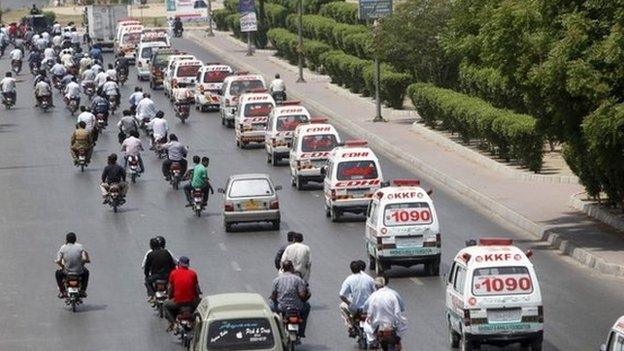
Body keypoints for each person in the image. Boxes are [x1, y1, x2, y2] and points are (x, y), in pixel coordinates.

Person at [271, 260, 311, 338]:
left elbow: (273, 296)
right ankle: (301, 331)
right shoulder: (298, 279)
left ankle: (276, 331)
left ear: (282, 269)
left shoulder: (276, 280)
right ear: (292, 268)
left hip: (281, 307)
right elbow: (302, 295)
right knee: (307, 306)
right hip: (297, 307)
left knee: (271, 307)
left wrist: (274, 299)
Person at [364, 277, 407, 347]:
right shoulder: (392, 295)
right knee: (402, 329)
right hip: (391, 324)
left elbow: (369, 312)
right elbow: (397, 312)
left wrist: (368, 317)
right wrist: (400, 322)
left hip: (377, 324)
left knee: (366, 326)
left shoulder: (373, 296)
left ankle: (372, 341)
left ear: (375, 286)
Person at [164, 256, 201, 331]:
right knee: (202, 305)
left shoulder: (173, 273)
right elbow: (197, 288)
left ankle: (173, 323)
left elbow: (170, 288)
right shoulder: (193, 274)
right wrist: (197, 297)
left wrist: (170, 297)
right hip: (191, 302)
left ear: (179, 264)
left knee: (165, 305)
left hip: (178, 302)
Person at [339, 260, 375, 337]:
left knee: (342, 306)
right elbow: (375, 292)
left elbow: (341, 295)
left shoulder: (349, 279)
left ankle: (351, 326)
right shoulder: (370, 279)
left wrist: (350, 304)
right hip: (368, 308)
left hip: (355, 308)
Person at [55, 232, 90, 298]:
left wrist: (63, 267)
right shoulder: (80, 247)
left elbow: (58, 261)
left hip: (66, 272)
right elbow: (85, 258)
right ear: (75, 239)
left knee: (57, 273)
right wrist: (82, 264)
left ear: (66, 240)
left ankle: (62, 292)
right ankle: (83, 290)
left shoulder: (63, 248)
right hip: (79, 272)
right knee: (86, 272)